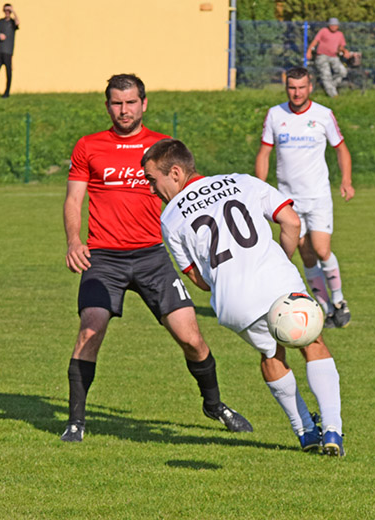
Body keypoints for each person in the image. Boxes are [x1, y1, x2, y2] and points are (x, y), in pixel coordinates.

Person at [61, 73, 251, 442]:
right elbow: (73, 199)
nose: (124, 110)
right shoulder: (89, 146)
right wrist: (73, 240)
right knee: (90, 328)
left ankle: (214, 405)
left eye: (131, 102)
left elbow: (195, 190)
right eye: (117, 103)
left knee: (191, 337)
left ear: (144, 104)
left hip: (153, 255)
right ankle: (75, 421)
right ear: (107, 106)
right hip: (104, 259)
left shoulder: (163, 148)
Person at [142, 138, 346, 456]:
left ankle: (305, 430)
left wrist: (227, 276)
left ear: (176, 173)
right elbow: (291, 220)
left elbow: (199, 280)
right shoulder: (243, 182)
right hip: (277, 280)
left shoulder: (170, 218)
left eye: (153, 180)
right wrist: (282, 257)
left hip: (233, 302)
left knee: (271, 356)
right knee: (312, 344)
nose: (152, 189)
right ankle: (332, 430)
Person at [254, 67, 354, 329]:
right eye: (291, 87)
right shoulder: (276, 115)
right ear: (286, 87)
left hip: (318, 196)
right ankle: (324, 308)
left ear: (310, 87)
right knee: (306, 255)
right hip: (289, 200)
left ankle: (340, 301)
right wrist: (260, 188)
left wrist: (346, 180)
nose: (296, 93)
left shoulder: (323, 115)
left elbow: (341, 149)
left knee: (321, 249)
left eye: (301, 87)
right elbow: (264, 153)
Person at [306, 17, 351, 98]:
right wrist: (309, 50)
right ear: (329, 25)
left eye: (335, 25)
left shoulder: (340, 34)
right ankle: (334, 95)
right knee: (326, 75)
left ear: (338, 26)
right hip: (322, 56)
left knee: (342, 72)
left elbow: (341, 47)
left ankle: (330, 86)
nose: (333, 26)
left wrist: (345, 51)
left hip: (334, 56)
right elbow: (315, 41)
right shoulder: (323, 31)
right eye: (332, 25)